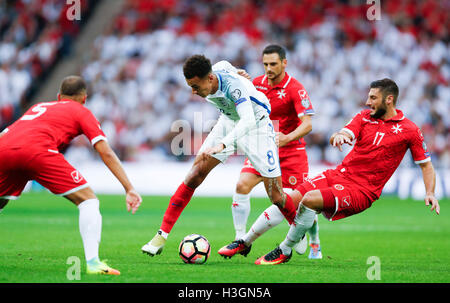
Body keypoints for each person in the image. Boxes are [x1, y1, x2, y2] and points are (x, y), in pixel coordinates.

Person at [254, 78, 440, 265]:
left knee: (309, 200)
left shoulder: (410, 130)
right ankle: (246, 240)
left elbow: (426, 165)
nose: (368, 102)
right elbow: (344, 133)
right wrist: (339, 136)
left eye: (373, 98)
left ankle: (284, 250)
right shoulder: (364, 117)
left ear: (389, 99)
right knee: (288, 199)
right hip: (339, 174)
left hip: (362, 190)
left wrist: (430, 192)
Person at [141, 55, 299, 256]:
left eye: (195, 86)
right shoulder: (218, 69)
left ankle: (298, 227)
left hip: (257, 126)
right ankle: (161, 236)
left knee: (276, 195)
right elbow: (225, 64)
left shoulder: (233, 87)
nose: (193, 91)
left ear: (209, 79)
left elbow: (248, 120)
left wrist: (224, 144)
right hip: (228, 121)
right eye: (190, 86)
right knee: (195, 173)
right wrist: (238, 69)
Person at [0, 76, 143, 275]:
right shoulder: (82, 111)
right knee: (88, 201)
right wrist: (129, 188)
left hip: (4, 149)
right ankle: (93, 263)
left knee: (1, 202)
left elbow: (7, 132)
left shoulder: (39, 107)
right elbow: (105, 151)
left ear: (59, 97)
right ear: (84, 98)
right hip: (37, 151)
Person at [218, 44, 322, 260]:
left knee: (295, 202)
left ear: (284, 63)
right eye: (265, 64)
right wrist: (237, 76)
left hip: (292, 152)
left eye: (273, 64)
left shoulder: (296, 88)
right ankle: (240, 239)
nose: (268, 68)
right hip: (263, 149)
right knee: (241, 185)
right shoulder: (255, 84)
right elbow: (233, 98)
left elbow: (308, 124)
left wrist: (287, 137)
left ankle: (314, 240)